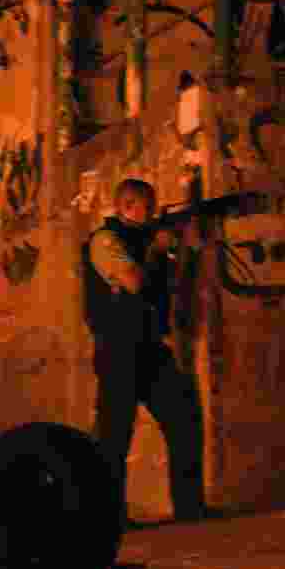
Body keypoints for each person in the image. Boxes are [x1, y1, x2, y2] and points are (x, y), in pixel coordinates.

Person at [82, 178, 207, 523]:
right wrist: (156, 249)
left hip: (150, 348)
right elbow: (135, 282)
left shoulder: (141, 239)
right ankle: (107, 517)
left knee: (184, 419)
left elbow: (165, 285)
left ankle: (190, 509)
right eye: (147, 207)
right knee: (113, 438)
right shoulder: (105, 241)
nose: (151, 214)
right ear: (128, 206)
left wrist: (179, 250)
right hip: (118, 351)